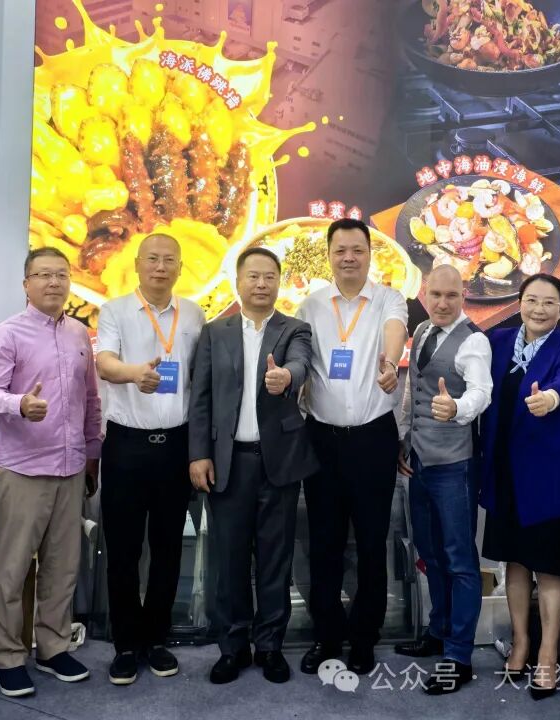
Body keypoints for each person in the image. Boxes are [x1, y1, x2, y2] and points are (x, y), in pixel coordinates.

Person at [189, 247, 318, 685]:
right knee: (229, 561)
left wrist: (286, 377)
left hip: (277, 464)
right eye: (253, 276)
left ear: (279, 282)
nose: (262, 284)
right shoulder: (214, 332)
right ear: (238, 282)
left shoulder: (295, 328)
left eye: (269, 277)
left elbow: (300, 364)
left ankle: (269, 646)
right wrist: (198, 454)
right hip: (228, 463)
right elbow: (200, 397)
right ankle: (232, 647)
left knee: (274, 561)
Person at [0, 247, 102, 698]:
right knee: (12, 571)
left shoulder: (79, 333)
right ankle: (8, 657)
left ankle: (52, 648)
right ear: (26, 283)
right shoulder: (8, 333)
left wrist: (92, 455)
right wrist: (20, 405)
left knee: (62, 568)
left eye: (61, 275)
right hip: (23, 470)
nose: (54, 282)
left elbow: (91, 399)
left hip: (71, 469)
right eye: (43, 275)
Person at [295, 218, 409, 676]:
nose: (348, 257)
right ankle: (327, 635)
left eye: (357, 250)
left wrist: (389, 364)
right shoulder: (310, 305)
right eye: (340, 250)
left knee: (371, 543)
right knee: (323, 543)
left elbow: (395, 330)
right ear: (328, 255)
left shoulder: (388, 298)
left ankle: (364, 637)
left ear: (369, 254)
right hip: (322, 440)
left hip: (372, 439)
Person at [94, 233, 204, 685]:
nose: (160, 267)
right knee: (122, 550)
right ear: (137, 264)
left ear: (180, 267)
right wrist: (133, 373)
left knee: (167, 547)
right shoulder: (115, 310)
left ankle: (156, 639)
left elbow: (200, 379)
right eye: (152, 259)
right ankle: (125, 644)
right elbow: (104, 363)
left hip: (176, 446)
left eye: (169, 260)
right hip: (126, 445)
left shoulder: (194, 314)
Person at [479, 273, 560, 700]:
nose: (539, 309)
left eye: (549, 302)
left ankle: (548, 655)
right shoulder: (497, 341)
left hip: (550, 480)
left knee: (549, 567)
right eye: (531, 300)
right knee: (515, 562)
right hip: (506, 473)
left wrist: (550, 398)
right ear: (520, 303)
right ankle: (521, 643)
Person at [395, 265, 492, 695]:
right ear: (424, 294)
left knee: (459, 560)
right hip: (419, 460)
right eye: (435, 294)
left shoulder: (474, 340)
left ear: (463, 296)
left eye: (451, 295)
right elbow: (411, 390)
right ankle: (438, 631)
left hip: (454, 465)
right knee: (429, 553)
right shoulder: (420, 331)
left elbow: (481, 392)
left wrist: (456, 409)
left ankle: (459, 656)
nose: (442, 303)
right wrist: (404, 439)